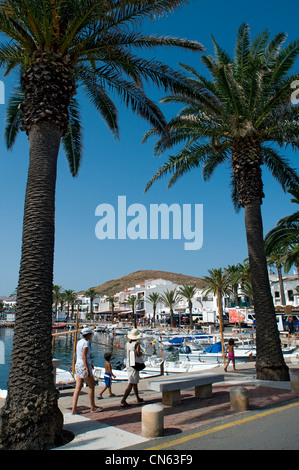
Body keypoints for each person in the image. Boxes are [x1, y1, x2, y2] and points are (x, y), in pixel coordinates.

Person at [72, 328, 102, 414]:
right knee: (91, 386)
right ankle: (92, 407)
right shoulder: (86, 343)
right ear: (88, 335)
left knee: (78, 387)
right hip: (83, 365)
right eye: (91, 334)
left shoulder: (79, 342)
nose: (91, 336)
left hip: (78, 364)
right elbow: (84, 356)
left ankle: (74, 408)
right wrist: (87, 368)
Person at [120, 328, 144, 407]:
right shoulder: (137, 344)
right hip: (134, 364)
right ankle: (123, 400)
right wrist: (141, 353)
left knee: (134, 382)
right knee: (131, 382)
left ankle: (138, 397)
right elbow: (137, 353)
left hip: (128, 363)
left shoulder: (128, 343)